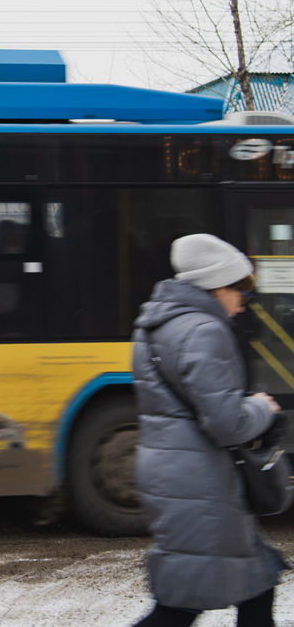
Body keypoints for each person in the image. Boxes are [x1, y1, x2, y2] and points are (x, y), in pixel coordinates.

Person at [131, 233, 287, 627]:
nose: (242, 304)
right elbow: (226, 423)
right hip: (201, 483)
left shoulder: (152, 324)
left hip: (172, 473)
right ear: (218, 286)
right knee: (181, 606)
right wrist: (261, 407)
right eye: (240, 292)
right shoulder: (204, 331)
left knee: (257, 579)